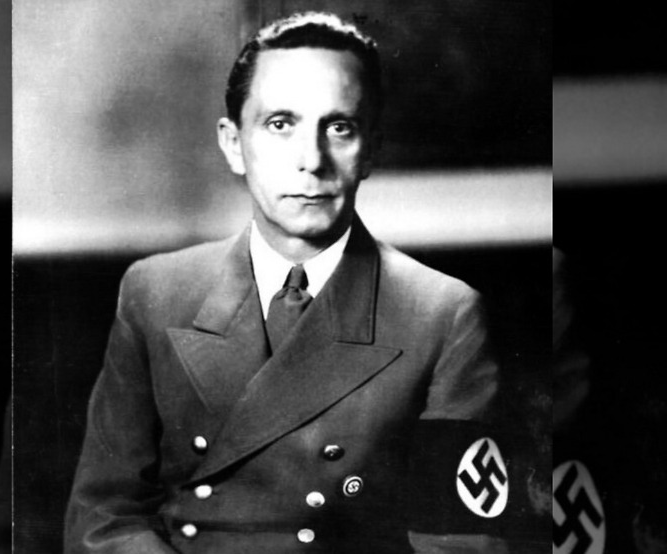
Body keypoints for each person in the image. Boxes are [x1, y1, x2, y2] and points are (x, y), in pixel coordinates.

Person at [65, 12, 511, 553]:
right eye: (280, 124)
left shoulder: (443, 314)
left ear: (371, 148)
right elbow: (105, 518)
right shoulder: (155, 292)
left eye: (339, 127)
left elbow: (461, 543)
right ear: (233, 144)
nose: (311, 160)